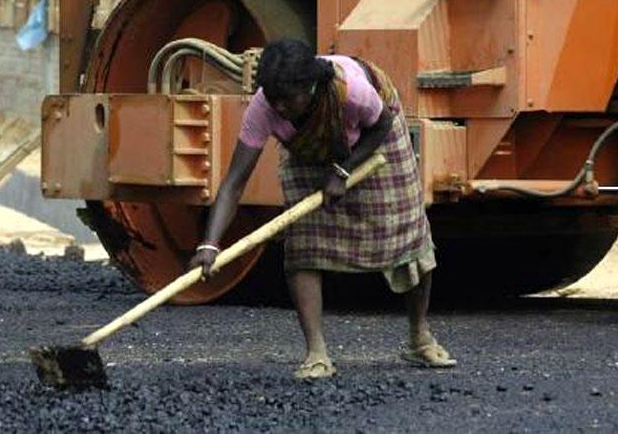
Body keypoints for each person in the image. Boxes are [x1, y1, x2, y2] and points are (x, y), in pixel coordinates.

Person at [190, 38, 456, 379]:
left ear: (311, 87)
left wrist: (342, 172)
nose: (281, 108)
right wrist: (210, 245)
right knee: (303, 246)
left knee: (407, 233)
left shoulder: (353, 92)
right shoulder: (265, 106)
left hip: (375, 138)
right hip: (309, 151)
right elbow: (234, 182)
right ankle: (316, 353)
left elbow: (381, 126)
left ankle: (420, 338)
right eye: (274, 100)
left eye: (288, 100)